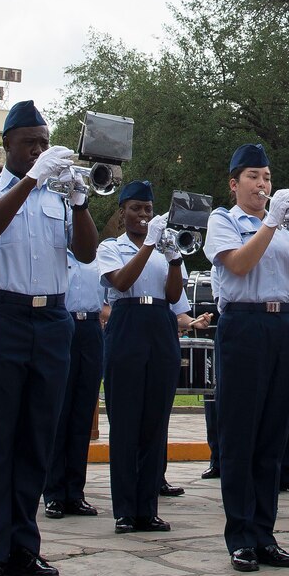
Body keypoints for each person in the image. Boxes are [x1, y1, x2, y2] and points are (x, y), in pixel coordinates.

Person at [0, 101, 99, 576]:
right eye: (29, 143)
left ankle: (24, 546)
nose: (39, 149)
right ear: (8, 146)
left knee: (37, 439)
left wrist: (79, 201)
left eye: (43, 141)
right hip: (2, 316)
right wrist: (31, 180)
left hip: (52, 318)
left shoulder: (58, 195)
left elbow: (86, 252)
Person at [204, 143, 289, 573]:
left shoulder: (285, 225)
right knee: (241, 434)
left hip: (286, 325)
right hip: (244, 326)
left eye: (267, 177)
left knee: (274, 435)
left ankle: (265, 535)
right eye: (253, 177)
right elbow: (237, 265)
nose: (262, 184)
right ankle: (240, 536)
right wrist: (270, 223)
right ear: (234, 184)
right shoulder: (223, 220)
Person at [96, 181, 186, 533]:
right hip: (127, 323)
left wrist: (175, 258)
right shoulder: (111, 247)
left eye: (149, 210)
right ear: (122, 212)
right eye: (136, 209)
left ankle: (147, 507)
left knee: (154, 422)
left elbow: (174, 295)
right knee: (126, 421)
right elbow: (120, 282)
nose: (144, 216)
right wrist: (150, 245)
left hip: (161, 324)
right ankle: (125, 509)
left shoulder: (163, 248)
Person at [43, 242, 106, 521]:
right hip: (62, 323)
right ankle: (54, 493)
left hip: (91, 328)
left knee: (83, 413)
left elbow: (105, 300)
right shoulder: (54, 254)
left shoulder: (96, 257)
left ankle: (75, 492)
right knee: (59, 413)